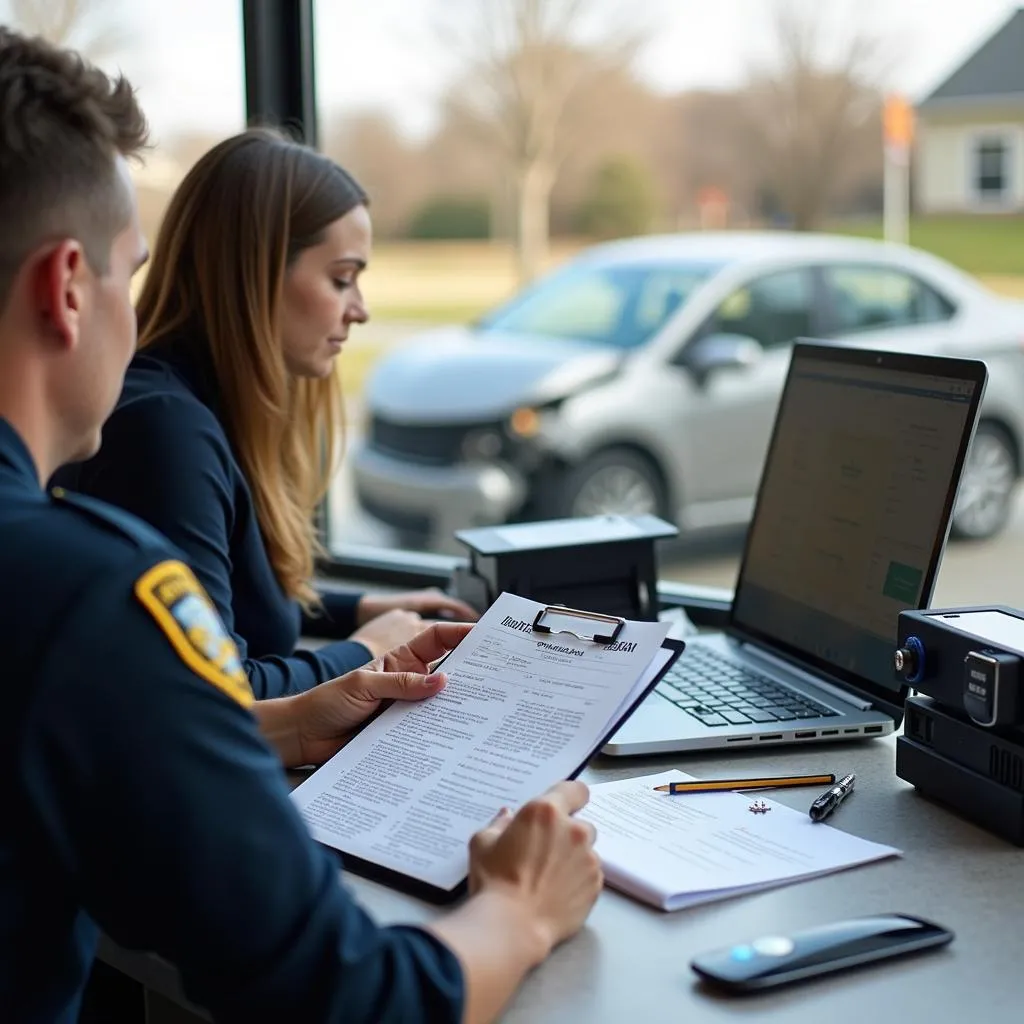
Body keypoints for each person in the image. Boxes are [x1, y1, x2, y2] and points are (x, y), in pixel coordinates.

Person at [0, 28, 602, 1024]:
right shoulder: (87, 595)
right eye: (125, 271)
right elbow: (347, 999)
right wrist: (522, 909)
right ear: (67, 289)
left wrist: (275, 717)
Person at [52, 126, 477, 699]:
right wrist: (372, 651)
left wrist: (357, 609)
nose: (362, 311)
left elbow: (220, 593)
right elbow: (219, 692)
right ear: (256, 274)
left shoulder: (202, 404)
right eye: (341, 278)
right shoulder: (165, 431)